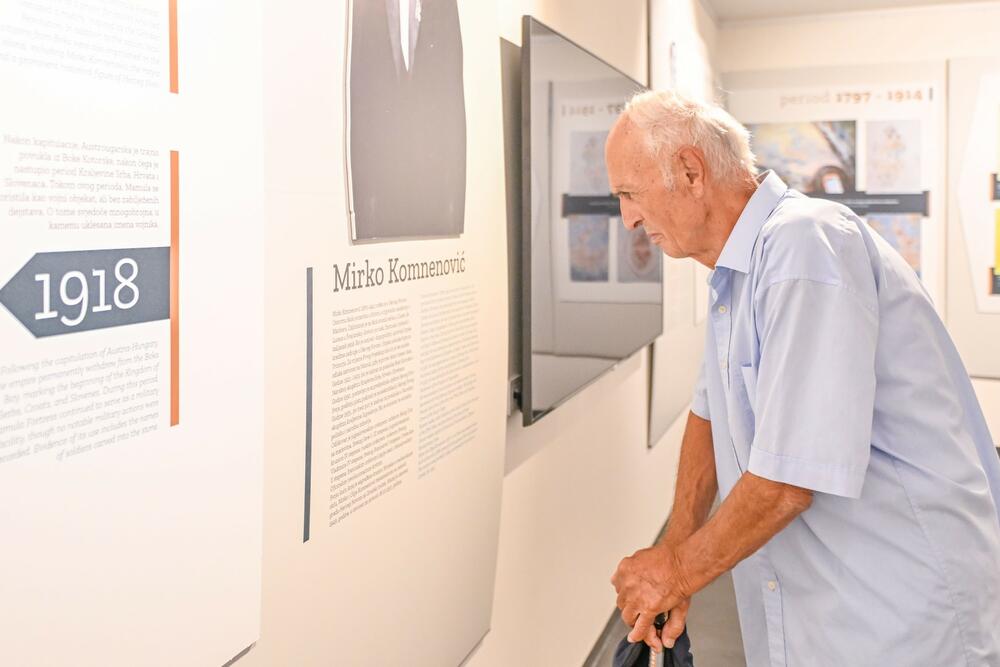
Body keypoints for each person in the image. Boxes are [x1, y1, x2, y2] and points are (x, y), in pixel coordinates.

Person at [606, 90, 1000, 666]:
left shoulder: (804, 247)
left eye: (629, 195)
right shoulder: (735, 277)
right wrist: (674, 546)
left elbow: (788, 481)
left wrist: (678, 574)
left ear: (690, 171)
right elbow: (708, 414)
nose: (629, 220)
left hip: (899, 612)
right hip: (829, 610)